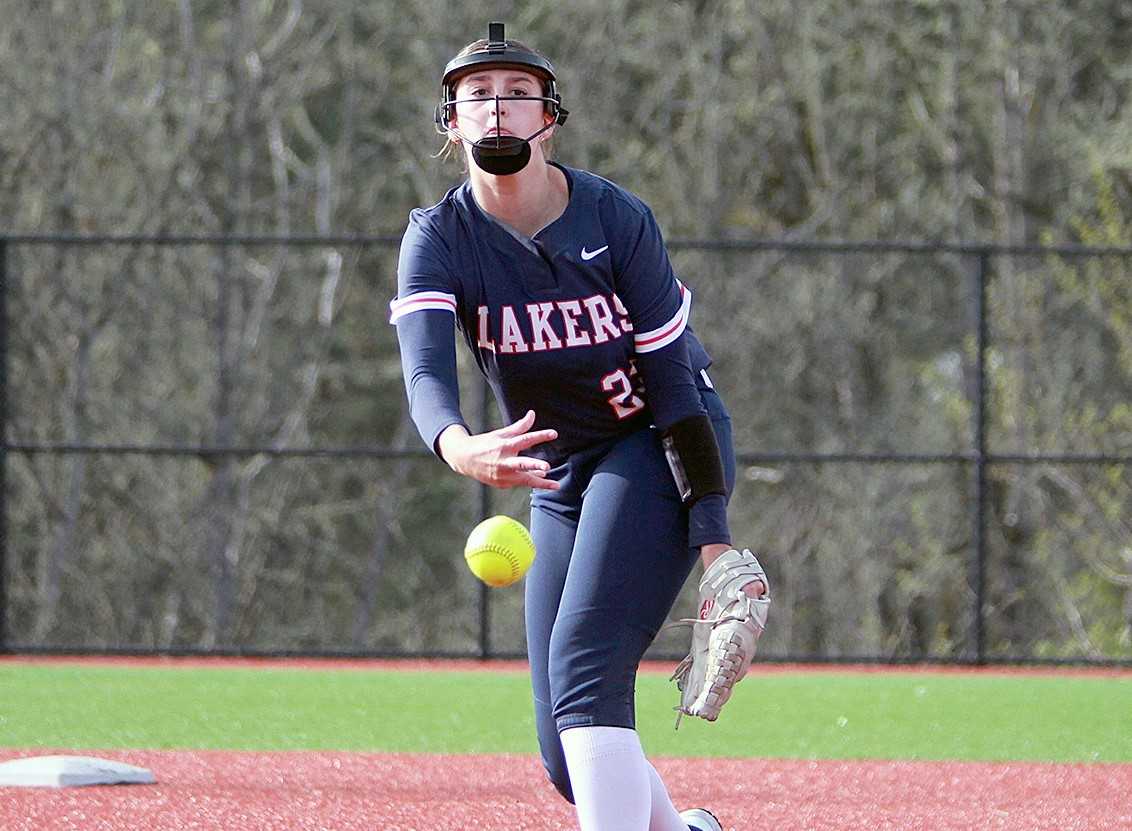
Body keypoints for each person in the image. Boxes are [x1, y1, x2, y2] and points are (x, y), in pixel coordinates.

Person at [390, 22, 770, 831]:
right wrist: (457, 444)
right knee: (567, 753)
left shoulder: (614, 217)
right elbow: (424, 370)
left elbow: (674, 381)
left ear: (549, 117)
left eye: (517, 95)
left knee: (587, 670)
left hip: (654, 447)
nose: (498, 112)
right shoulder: (438, 237)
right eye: (478, 97)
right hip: (562, 478)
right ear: (450, 123)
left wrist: (712, 535)